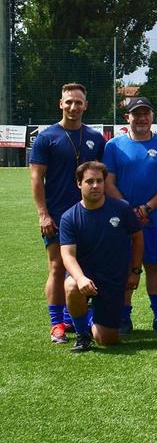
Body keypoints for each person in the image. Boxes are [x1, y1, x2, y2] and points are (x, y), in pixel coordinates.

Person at [29, 83, 106, 343]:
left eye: (78, 102)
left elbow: (100, 178)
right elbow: (36, 178)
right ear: (60, 104)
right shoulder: (46, 137)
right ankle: (57, 323)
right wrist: (43, 214)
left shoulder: (95, 138)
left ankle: (81, 317)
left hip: (89, 215)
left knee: (88, 266)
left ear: (86, 105)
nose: (73, 107)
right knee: (57, 266)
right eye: (69, 102)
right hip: (57, 215)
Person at [103, 96, 157, 334]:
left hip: (154, 218)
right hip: (122, 220)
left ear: (152, 117)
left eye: (146, 113)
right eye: (136, 114)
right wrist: (129, 211)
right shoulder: (113, 146)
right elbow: (109, 181)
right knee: (126, 267)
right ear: (128, 118)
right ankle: (125, 318)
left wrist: (146, 208)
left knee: (153, 265)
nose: (142, 118)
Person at [58, 161, 143, 352]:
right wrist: (80, 279)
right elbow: (68, 255)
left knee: (106, 339)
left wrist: (135, 271)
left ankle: (89, 316)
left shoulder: (121, 208)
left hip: (113, 279)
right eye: (89, 181)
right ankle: (82, 335)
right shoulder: (69, 217)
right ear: (79, 184)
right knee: (71, 285)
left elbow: (138, 239)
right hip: (85, 275)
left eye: (99, 181)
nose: (95, 185)